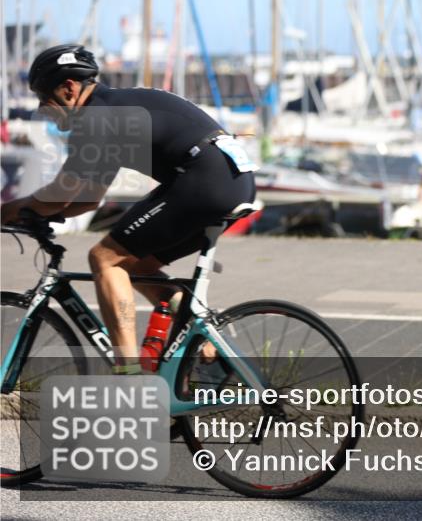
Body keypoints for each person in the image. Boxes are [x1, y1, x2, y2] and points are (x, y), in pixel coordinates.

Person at [0, 44, 257, 373]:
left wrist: (8, 211)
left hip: (206, 180)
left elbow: (62, 193)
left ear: (68, 88)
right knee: (138, 267)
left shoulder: (96, 117)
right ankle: (205, 345)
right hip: (229, 179)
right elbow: (89, 198)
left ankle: (129, 375)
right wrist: (36, 214)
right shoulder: (113, 111)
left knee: (105, 259)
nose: (41, 108)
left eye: (43, 97)